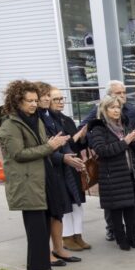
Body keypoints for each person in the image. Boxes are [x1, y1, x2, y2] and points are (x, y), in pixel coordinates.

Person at [0, 80, 69, 270]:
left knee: (43, 225)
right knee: (36, 228)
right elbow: (18, 154)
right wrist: (50, 146)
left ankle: (38, 267)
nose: (34, 104)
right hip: (27, 183)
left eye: (35, 100)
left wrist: (51, 145)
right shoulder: (10, 125)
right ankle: (41, 268)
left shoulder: (35, 119)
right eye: (29, 101)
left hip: (41, 179)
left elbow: (40, 147)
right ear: (17, 101)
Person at [80, 80, 135, 240]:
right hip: (111, 165)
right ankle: (112, 229)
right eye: (118, 93)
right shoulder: (98, 111)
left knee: (133, 196)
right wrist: (97, 143)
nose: (123, 96)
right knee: (113, 199)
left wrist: (134, 140)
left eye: (124, 92)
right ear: (109, 96)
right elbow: (84, 129)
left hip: (130, 162)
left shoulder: (131, 111)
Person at [36, 82, 82, 267]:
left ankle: (58, 248)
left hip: (58, 169)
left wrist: (69, 156)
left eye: (49, 96)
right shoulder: (37, 118)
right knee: (47, 214)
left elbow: (61, 141)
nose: (48, 99)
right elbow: (43, 147)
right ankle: (47, 253)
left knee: (58, 211)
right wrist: (63, 158)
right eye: (45, 96)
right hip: (45, 170)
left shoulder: (49, 116)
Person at [46, 87, 90, 253]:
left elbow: (76, 146)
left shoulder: (66, 119)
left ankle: (78, 235)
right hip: (60, 167)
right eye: (56, 99)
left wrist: (83, 137)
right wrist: (75, 138)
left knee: (77, 202)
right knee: (65, 203)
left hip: (73, 166)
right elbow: (57, 146)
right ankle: (67, 237)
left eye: (61, 98)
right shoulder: (47, 121)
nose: (60, 102)